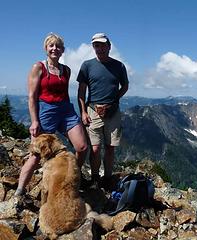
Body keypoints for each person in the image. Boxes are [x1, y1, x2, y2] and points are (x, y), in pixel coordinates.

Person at [15, 33, 88, 196]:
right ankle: (19, 192)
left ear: (63, 50)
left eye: (58, 46)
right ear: (46, 48)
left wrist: (72, 112)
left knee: (82, 147)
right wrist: (34, 121)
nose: (55, 48)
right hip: (46, 110)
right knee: (35, 156)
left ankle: (72, 176)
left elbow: (65, 93)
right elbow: (32, 96)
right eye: (51, 45)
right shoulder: (38, 67)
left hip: (65, 110)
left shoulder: (66, 70)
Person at [77, 33, 129, 187]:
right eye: (96, 45)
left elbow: (125, 86)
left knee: (110, 147)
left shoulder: (119, 66)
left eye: (102, 45)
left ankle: (106, 177)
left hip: (112, 111)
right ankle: (94, 178)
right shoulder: (87, 65)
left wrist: (114, 100)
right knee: (94, 148)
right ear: (93, 47)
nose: (99, 48)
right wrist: (83, 112)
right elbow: (81, 92)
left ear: (109, 46)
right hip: (93, 110)